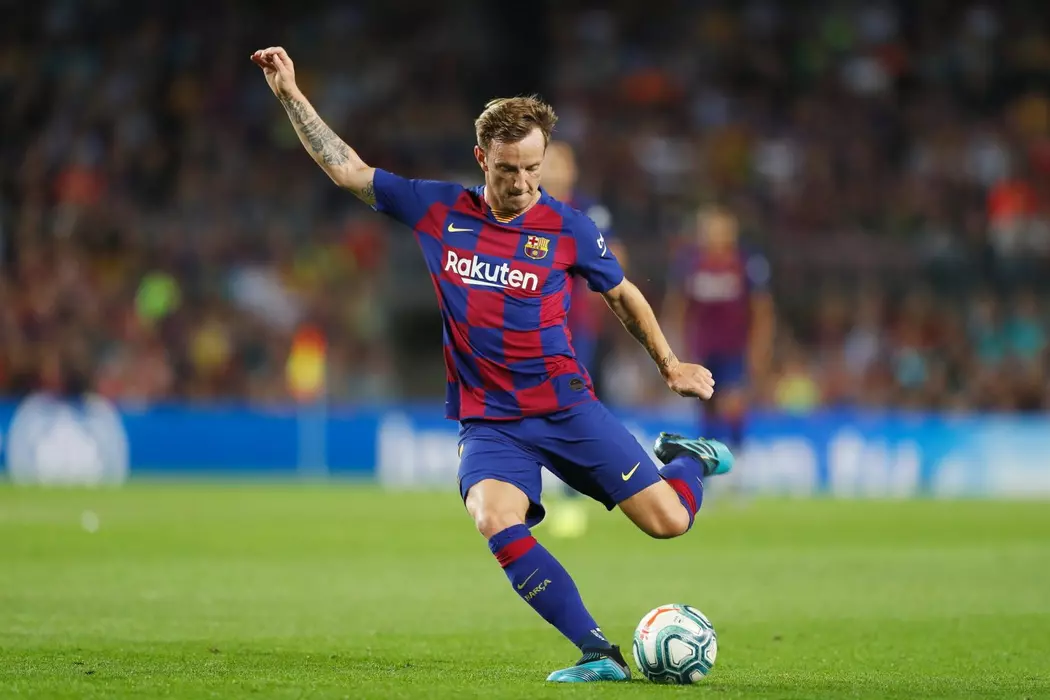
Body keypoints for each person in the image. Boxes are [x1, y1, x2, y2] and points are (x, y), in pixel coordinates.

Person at [252, 47, 733, 683]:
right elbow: (349, 170)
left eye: (534, 168)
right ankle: (598, 653)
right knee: (493, 516)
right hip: (491, 421)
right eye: (510, 169)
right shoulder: (438, 209)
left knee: (669, 522)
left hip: (565, 407)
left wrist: (669, 364)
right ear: (482, 159)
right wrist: (291, 95)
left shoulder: (568, 228)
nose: (524, 182)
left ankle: (690, 459)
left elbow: (621, 294)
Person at [538, 141, 625, 537]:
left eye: (560, 163)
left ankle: (571, 497)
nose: (553, 170)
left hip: (574, 329)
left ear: (572, 171)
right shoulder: (521, 207)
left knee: (568, 409)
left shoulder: (589, 211)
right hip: (521, 329)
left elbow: (615, 262)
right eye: (547, 163)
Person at [664, 205, 775, 454]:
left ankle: (737, 452)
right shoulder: (689, 263)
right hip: (701, 348)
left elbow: (761, 310)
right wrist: (675, 349)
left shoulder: (746, 263)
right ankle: (710, 458)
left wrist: (759, 348)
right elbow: (677, 308)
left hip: (735, 348)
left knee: (733, 402)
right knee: (706, 404)